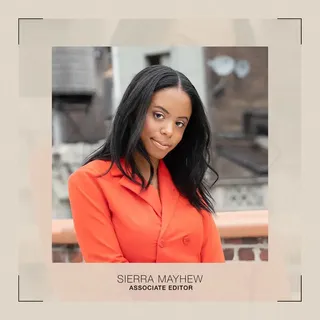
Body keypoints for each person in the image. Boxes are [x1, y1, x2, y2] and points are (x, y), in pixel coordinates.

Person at [68, 65, 225, 263]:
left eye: (180, 123)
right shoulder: (90, 181)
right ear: (134, 112)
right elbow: (108, 271)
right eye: (159, 115)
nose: (169, 131)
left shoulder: (188, 186)